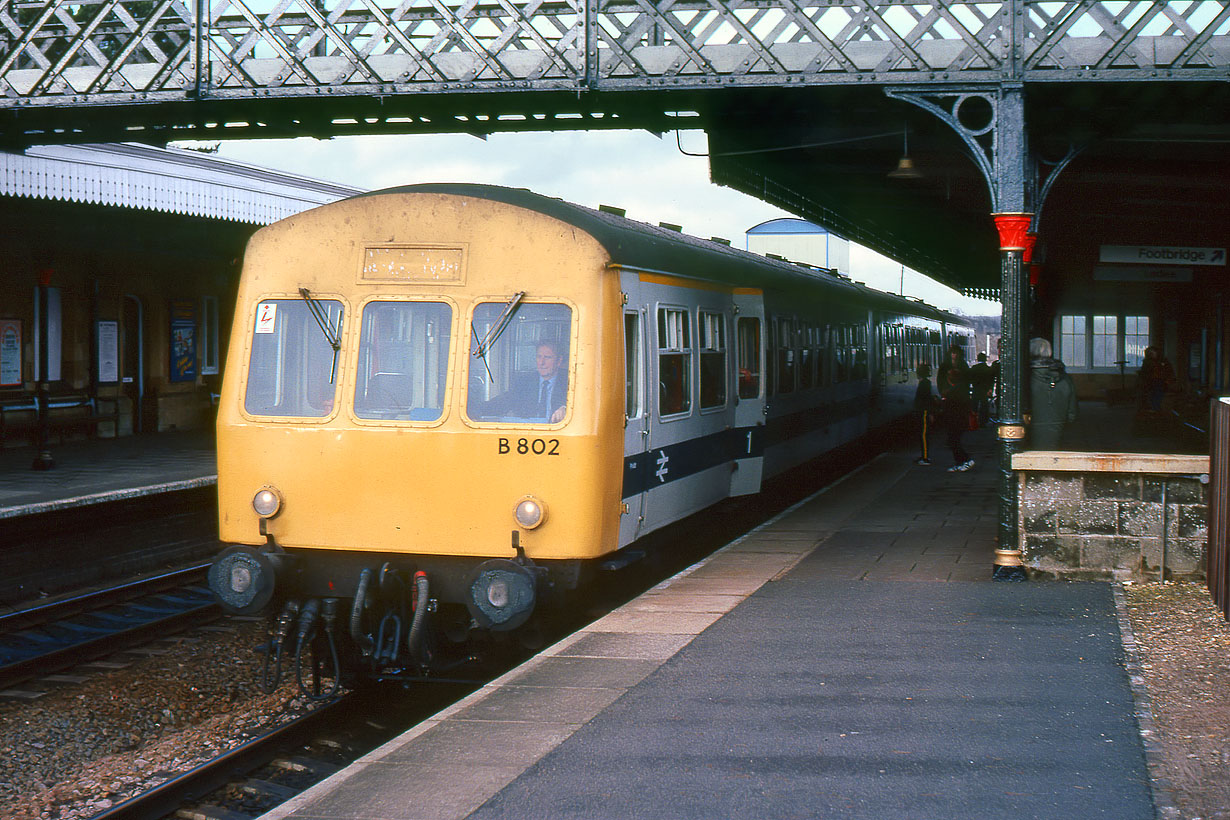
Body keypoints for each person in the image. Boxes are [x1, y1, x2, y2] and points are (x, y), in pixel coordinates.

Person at [483, 340, 569, 422]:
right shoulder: (524, 382)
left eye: (547, 357)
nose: (541, 362)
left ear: (559, 361)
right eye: (539, 357)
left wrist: (566, 408)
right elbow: (502, 403)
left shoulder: (570, 382)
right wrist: (474, 411)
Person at [1028, 337, 1077, 449]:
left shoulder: (1026, 377)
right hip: (1059, 428)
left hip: (1032, 428)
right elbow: (1072, 412)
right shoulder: (1065, 378)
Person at [939, 360, 974, 472]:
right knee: (955, 442)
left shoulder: (952, 392)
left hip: (954, 421)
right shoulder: (961, 390)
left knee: (954, 442)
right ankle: (959, 462)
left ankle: (966, 460)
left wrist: (942, 402)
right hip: (960, 420)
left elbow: (949, 406)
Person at [1137, 345, 1176, 414]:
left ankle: (1156, 409)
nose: (1152, 355)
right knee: (1150, 395)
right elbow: (1144, 372)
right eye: (1150, 353)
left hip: (1161, 382)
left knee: (1158, 395)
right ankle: (1151, 409)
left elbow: (1169, 371)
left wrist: (1168, 381)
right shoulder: (1147, 362)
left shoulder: (1163, 361)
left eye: (1153, 353)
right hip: (1150, 382)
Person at [913, 362, 938, 465]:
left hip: (923, 412)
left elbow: (926, 400)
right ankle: (924, 455)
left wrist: (930, 413)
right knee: (922, 434)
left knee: (923, 435)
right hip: (923, 411)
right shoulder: (925, 383)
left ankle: (926, 458)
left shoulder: (924, 384)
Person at [969, 352, 994, 426]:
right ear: (985, 359)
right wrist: (990, 389)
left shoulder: (974, 368)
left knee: (974, 405)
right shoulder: (988, 369)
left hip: (976, 389)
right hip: (985, 390)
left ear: (977, 359)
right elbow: (991, 380)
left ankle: (974, 421)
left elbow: (970, 378)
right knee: (984, 406)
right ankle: (983, 422)